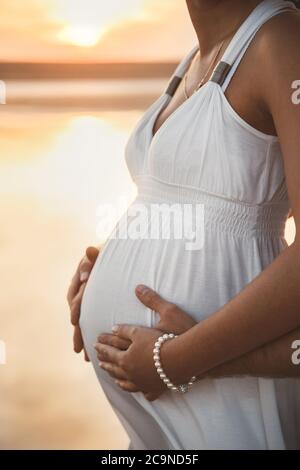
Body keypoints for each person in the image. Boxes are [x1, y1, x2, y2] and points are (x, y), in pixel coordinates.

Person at [67, 0, 300, 449]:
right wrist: (104, 267)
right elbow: (184, 203)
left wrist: (175, 359)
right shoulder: (194, 58)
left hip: (229, 393)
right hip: (156, 413)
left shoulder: (280, 41)